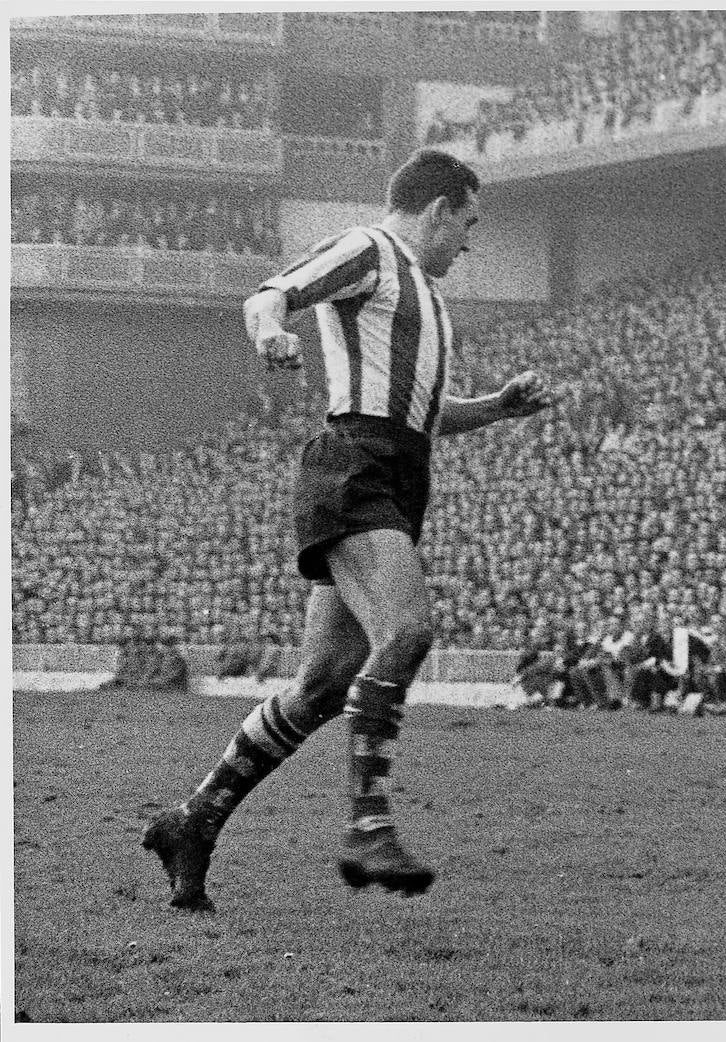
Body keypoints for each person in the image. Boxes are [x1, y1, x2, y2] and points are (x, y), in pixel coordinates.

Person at [143, 149, 556, 912]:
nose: (468, 242)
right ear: (437, 209)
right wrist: (270, 332)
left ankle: (193, 820)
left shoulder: (424, 298)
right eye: (467, 224)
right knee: (408, 632)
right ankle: (369, 825)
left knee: (324, 684)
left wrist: (496, 406)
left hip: (397, 466)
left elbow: (424, 416)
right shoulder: (371, 249)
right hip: (354, 463)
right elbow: (272, 294)